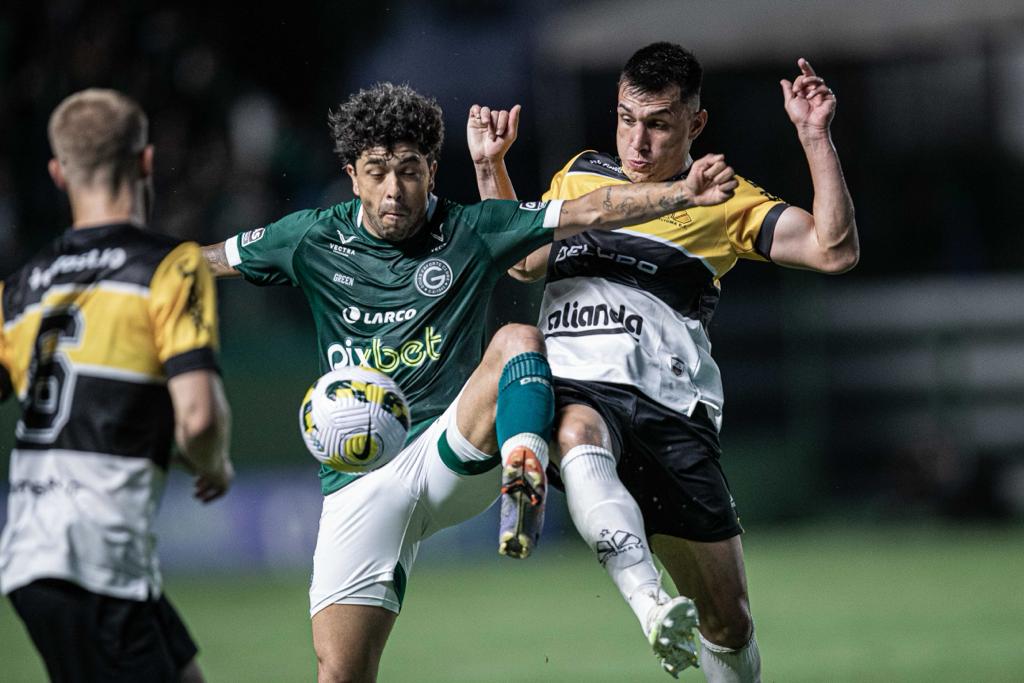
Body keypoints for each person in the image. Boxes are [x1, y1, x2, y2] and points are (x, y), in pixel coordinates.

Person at [200, 81, 738, 682]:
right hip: (358, 479)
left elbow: (588, 209)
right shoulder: (309, 238)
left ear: (432, 168)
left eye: (409, 170)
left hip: (452, 448)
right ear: (352, 174)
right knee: (340, 672)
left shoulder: (472, 228)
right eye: (376, 172)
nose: (393, 190)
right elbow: (204, 263)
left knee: (518, 341)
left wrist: (680, 193)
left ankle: (523, 476)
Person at [470, 43, 859, 681]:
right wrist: (492, 168)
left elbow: (833, 250)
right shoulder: (581, 178)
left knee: (729, 622)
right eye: (627, 119)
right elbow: (524, 258)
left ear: (695, 125)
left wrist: (815, 137)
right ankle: (649, 603)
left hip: (674, 411)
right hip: (581, 384)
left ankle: (682, 620)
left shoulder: (722, 198)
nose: (638, 142)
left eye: (658, 124)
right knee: (575, 429)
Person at [0, 89, 233, 682]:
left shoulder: (22, 288)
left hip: (37, 551)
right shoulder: (170, 266)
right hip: (93, 557)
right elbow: (199, 417)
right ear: (147, 161)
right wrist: (213, 463)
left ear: (57, 172)